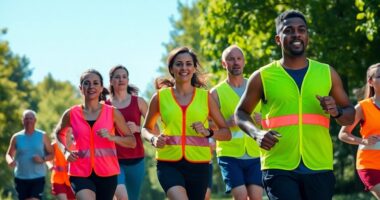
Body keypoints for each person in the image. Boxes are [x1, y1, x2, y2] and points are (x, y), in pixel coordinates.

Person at [234, 10, 355, 200]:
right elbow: (240, 113)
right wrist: (256, 133)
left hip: (319, 164)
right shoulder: (263, 76)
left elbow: (350, 114)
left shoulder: (326, 72)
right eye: (289, 30)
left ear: (307, 36)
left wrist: (337, 111)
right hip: (278, 165)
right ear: (278, 39)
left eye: (301, 30)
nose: (296, 34)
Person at [142, 46, 231, 200]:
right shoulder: (159, 97)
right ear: (171, 68)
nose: (184, 68)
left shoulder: (206, 97)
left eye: (189, 64)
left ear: (194, 68)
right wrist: (153, 139)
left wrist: (208, 132)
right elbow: (146, 129)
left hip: (199, 164)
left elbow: (226, 133)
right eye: (179, 64)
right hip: (168, 162)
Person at [53, 69, 136, 200]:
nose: (91, 86)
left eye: (95, 83)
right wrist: (66, 152)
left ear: (101, 88)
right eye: (87, 83)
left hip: (107, 173)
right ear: (81, 88)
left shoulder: (112, 113)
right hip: (79, 171)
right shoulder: (71, 113)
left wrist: (112, 137)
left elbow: (132, 142)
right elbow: (58, 133)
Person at [210, 45, 263, 200]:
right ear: (224, 64)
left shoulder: (256, 87)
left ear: (244, 62)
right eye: (231, 59)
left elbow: (271, 114)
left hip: (255, 152)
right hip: (229, 154)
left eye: (239, 59)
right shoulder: (215, 93)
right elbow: (209, 126)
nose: (236, 62)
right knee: (240, 196)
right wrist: (226, 123)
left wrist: (263, 120)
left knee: (256, 197)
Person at [105, 65, 149, 200]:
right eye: (117, 77)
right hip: (114, 159)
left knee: (132, 197)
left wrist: (137, 128)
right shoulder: (105, 106)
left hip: (137, 159)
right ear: (111, 81)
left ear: (128, 80)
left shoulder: (139, 102)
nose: (121, 79)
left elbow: (154, 130)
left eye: (124, 77)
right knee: (121, 195)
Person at [339, 63, 380, 199]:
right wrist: (363, 141)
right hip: (369, 164)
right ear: (370, 81)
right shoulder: (363, 107)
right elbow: (343, 134)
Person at [5, 109, 54, 200]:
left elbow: (52, 154)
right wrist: (10, 161)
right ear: (22, 120)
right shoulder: (16, 137)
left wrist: (42, 159)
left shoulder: (42, 135)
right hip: (21, 177)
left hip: (38, 177)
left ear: (35, 120)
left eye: (31, 118)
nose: (28, 121)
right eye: (26, 118)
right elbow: (8, 154)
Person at [47, 127, 75, 200]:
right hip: (57, 179)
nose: (66, 132)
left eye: (69, 130)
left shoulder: (75, 145)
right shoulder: (55, 145)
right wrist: (50, 165)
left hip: (71, 180)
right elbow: (47, 157)